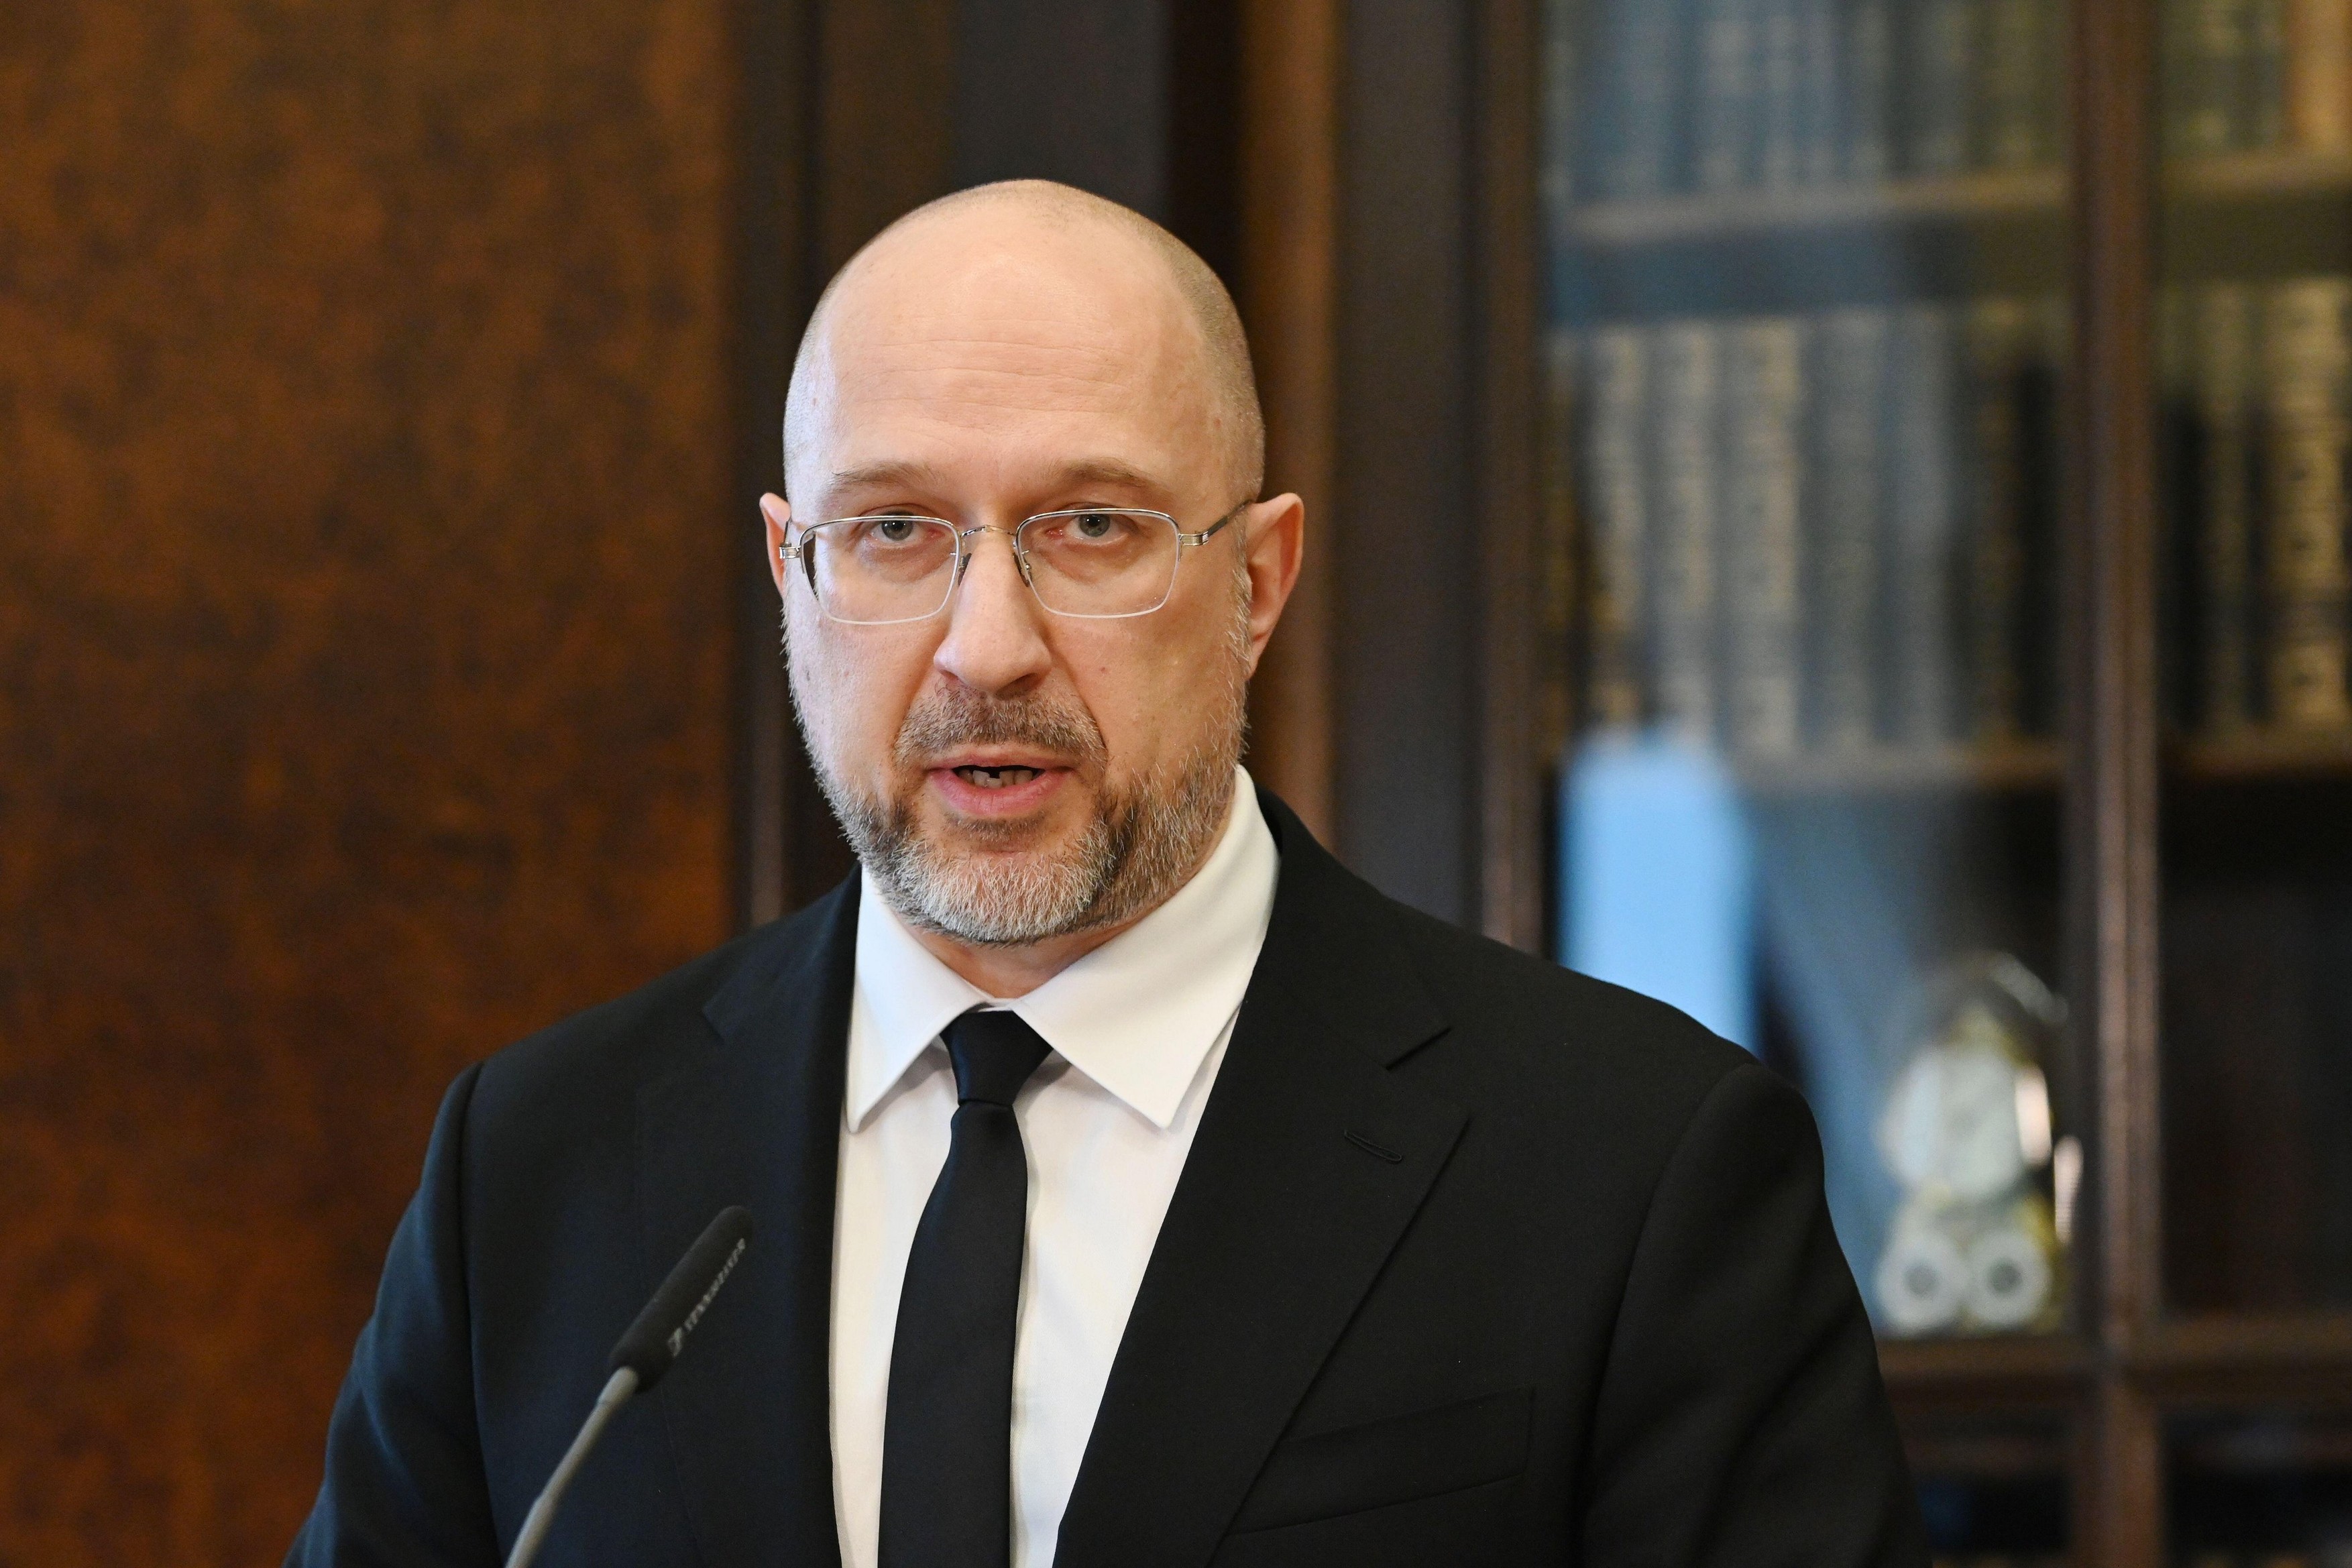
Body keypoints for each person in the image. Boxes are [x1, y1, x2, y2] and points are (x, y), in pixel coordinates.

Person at [288, 180, 1927, 1568]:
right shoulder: (535, 1168)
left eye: (1088, 527)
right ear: (788, 570)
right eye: (892, 532)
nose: (983, 647)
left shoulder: (1630, 1169)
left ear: (1256, 582)